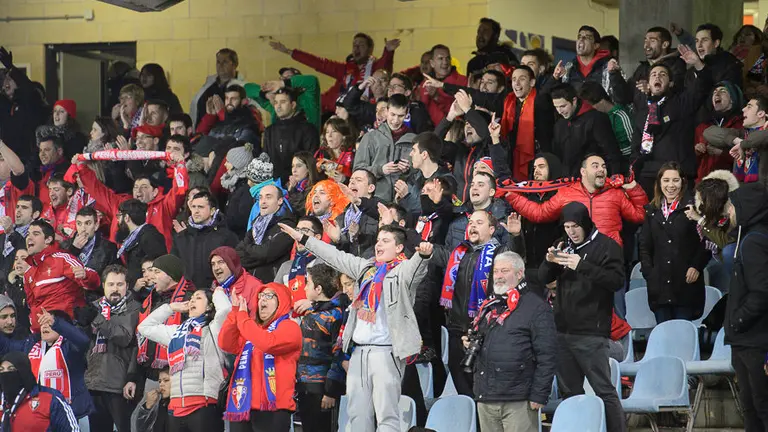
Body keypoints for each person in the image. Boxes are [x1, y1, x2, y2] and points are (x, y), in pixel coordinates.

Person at [278, 222, 433, 432]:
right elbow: (334, 256)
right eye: (378, 240)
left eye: (385, 241)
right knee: (357, 414)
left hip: (386, 352)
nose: (378, 245)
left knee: (387, 415)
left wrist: (423, 256)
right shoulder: (366, 269)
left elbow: (417, 270)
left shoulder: (402, 271)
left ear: (398, 248)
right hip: (358, 352)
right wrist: (304, 239)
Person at [538, 201, 627, 432]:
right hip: (563, 330)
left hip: (592, 332)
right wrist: (549, 262)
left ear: (586, 223)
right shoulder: (563, 245)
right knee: (570, 393)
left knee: (604, 390)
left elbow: (616, 281)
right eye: (567, 227)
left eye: (575, 226)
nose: (571, 231)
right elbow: (542, 277)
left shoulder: (607, 246)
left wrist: (582, 265)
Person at [432, 210, 523, 397]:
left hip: (486, 333)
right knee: (463, 387)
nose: (472, 226)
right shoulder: (459, 253)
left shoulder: (500, 253)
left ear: (491, 229)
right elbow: (435, 254)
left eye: (478, 222)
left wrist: (516, 236)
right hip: (458, 330)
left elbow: (517, 261)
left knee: (484, 390)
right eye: (470, 222)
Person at [468, 251, 556, 432]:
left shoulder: (537, 307)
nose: (498, 276)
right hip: (486, 396)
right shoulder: (488, 306)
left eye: (505, 271)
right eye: (496, 271)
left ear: (519, 274)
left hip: (519, 399)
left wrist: (539, 395)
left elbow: (547, 355)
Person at [429, 65, 556, 181]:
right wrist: (443, 86)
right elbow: (477, 95)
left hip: (538, 158)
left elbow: (545, 96)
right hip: (512, 160)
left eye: (522, 79)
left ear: (532, 82)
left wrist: (554, 79)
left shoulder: (540, 102)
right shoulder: (506, 101)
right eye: (513, 79)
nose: (516, 83)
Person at [138, 286, 231, 431]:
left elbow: (225, 310)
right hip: (176, 407)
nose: (192, 300)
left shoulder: (214, 328)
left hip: (203, 405)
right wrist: (171, 307)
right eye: (192, 298)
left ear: (209, 307)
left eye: (198, 298)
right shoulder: (177, 332)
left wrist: (218, 292)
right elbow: (145, 327)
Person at [505, 154, 647, 247]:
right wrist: (512, 196)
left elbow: (640, 216)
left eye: (603, 166)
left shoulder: (615, 193)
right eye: (595, 166)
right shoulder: (567, 193)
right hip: (577, 258)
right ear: (583, 172)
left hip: (609, 258)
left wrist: (634, 189)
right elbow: (540, 213)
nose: (601, 170)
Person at [218, 282, 302, 432]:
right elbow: (225, 343)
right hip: (243, 406)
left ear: (281, 301)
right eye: (260, 296)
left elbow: (267, 343)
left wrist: (243, 318)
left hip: (274, 408)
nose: (262, 300)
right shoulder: (251, 329)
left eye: (269, 296)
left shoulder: (290, 327)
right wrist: (235, 312)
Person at [718, 183, 768, 432]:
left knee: (760, 406)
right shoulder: (749, 237)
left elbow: (761, 292)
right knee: (750, 407)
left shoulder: (754, 243)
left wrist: (738, 320)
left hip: (754, 341)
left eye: (732, 205)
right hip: (746, 340)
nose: (728, 211)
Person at [630, 45, 712, 195]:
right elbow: (636, 150)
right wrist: (632, 175)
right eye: (653, 74)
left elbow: (702, 88)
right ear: (648, 84)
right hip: (649, 175)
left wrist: (697, 64)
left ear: (671, 83)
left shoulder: (681, 103)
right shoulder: (642, 113)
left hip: (677, 174)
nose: (657, 77)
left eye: (663, 75)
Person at [73, 150, 188, 252]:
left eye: (144, 187)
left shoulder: (165, 206)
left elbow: (178, 191)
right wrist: (82, 167)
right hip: (123, 264)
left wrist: (180, 166)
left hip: (156, 265)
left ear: (155, 192)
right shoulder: (121, 205)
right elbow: (97, 189)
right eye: (136, 187)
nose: (138, 190)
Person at [639, 162, 710, 323]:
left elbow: (707, 240)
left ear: (683, 182)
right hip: (660, 287)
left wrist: (696, 266)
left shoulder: (694, 208)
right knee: (664, 338)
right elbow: (645, 245)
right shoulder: (651, 210)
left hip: (686, 285)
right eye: (666, 180)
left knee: (682, 337)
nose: (671, 185)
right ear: (659, 183)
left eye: (675, 180)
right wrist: (649, 273)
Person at [269, 34, 398, 114]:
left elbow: (384, 69)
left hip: (362, 112)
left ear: (370, 49)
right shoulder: (345, 69)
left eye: (361, 45)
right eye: (354, 45)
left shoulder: (374, 66)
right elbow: (319, 63)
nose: (356, 49)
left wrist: (388, 52)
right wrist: (288, 51)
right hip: (337, 111)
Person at [79, 264, 141, 432]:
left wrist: (97, 319)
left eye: (120, 284)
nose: (115, 289)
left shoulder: (134, 308)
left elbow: (123, 337)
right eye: (111, 284)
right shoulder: (95, 307)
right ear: (104, 285)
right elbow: (84, 344)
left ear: (127, 286)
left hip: (118, 384)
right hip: (93, 382)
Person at [295, 264, 347, 432]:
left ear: (318, 288)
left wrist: (331, 391)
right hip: (304, 386)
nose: (304, 287)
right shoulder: (311, 313)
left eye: (308, 283)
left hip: (322, 388)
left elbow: (338, 355)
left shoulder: (336, 315)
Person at [24, 220, 100, 332]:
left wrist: (85, 275)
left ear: (48, 239)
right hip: (42, 332)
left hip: (67, 329)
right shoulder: (28, 273)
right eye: (28, 234)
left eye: (35, 234)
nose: (29, 238)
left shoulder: (62, 259)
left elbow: (95, 281)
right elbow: (32, 305)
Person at [136, 255, 193, 387]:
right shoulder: (151, 300)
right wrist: (133, 376)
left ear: (171, 274)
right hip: (151, 376)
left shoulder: (189, 299)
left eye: (157, 272)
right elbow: (141, 336)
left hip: (179, 374)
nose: (151, 276)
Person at [353, 93, 416, 202]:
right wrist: (381, 170)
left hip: (403, 203)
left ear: (407, 114)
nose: (396, 120)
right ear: (386, 111)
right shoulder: (370, 137)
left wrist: (407, 171)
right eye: (392, 114)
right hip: (374, 200)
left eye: (400, 116)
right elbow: (358, 169)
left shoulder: (414, 140)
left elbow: (419, 174)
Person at [549, 84, 622, 176]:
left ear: (574, 101)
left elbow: (611, 153)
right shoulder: (560, 124)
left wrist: (615, 176)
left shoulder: (596, 119)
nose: (559, 111)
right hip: (567, 181)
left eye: (563, 106)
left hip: (592, 179)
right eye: (556, 107)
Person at [171, 190, 239, 289]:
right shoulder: (180, 238)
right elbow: (173, 269)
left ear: (212, 211)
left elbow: (235, 266)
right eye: (193, 207)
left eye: (201, 207)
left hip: (218, 292)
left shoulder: (226, 236)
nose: (196, 211)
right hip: (187, 295)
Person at [608, 26, 687, 112]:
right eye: (645, 40)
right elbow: (624, 98)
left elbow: (677, 92)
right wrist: (614, 74)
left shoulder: (676, 65)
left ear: (665, 45)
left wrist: (651, 89)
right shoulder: (642, 68)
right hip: (642, 123)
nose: (646, 45)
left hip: (665, 120)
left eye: (652, 41)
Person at [0, 351, 80, 431]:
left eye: (11, 369)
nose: (5, 374)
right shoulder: (3, 401)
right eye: (1, 370)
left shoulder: (50, 398)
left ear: (23, 370)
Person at [236, 183, 296, 282]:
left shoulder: (287, 226)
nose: (263, 202)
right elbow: (238, 256)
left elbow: (265, 253)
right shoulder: (256, 225)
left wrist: (249, 248)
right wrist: (260, 257)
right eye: (260, 198)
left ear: (280, 201)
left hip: (272, 286)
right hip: (252, 285)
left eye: (268, 197)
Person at [703, 96, 768, 186]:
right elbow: (708, 133)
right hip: (741, 193)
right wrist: (736, 141)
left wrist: (743, 144)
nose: (743, 109)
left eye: (749, 106)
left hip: (762, 195)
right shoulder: (742, 134)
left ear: (760, 114)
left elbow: (760, 137)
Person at [262, 87, 320, 184]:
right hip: (274, 186)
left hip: (300, 186)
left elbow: (311, 161)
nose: (278, 106)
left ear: (293, 105)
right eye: (276, 103)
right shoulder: (269, 131)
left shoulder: (308, 130)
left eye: (283, 102)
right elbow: (265, 159)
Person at [343, 72, 432, 133]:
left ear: (407, 92)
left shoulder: (416, 112)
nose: (391, 89)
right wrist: (361, 87)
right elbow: (349, 105)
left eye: (395, 86)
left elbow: (424, 138)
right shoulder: (380, 109)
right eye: (389, 86)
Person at [578, 81, 634, 171]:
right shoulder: (593, 119)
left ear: (602, 101)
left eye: (591, 107)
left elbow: (631, 148)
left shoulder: (620, 116)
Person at [693, 81, 743, 183]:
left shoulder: (741, 124)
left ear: (732, 99)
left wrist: (721, 153)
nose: (717, 94)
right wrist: (698, 151)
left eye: (723, 91)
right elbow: (696, 161)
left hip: (731, 183)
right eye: (715, 92)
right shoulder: (702, 126)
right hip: (704, 183)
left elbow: (746, 157)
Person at [274, 216, 325, 312]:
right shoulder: (286, 266)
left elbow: (335, 296)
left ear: (317, 237)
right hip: (288, 320)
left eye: (305, 230)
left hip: (317, 317)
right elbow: (274, 295)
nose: (298, 234)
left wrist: (315, 304)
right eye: (297, 230)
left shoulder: (325, 263)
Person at [114, 199, 167, 286]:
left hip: (150, 294)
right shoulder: (133, 239)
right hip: (139, 292)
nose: (118, 221)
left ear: (126, 217)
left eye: (119, 216)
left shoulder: (149, 236)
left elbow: (160, 267)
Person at [190, 48, 246, 127]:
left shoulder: (242, 88)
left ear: (234, 64)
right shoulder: (208, 85)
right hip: (203, 132)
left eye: (225, 62)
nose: (220, 65)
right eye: (218, 62)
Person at [60, 206, 118, 281]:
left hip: (95, 291)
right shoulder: (64, 246)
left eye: (88, 223)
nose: (83, 229)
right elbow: (59, 273)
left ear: (96, 226)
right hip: (71, 291)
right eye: (79, 224)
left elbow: (113, 278)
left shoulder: (109, 248)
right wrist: (73, 250)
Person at [552, 26, 612, 93]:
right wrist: (555, 79)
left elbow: (621, 98)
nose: (581, 39)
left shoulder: (607, 67)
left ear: (596, 45)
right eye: (579, 37)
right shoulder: (569, 68)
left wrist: (615, 74)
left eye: (587, 37)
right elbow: (553, 96)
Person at [195, 84, 261, 145]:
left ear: (243, 101)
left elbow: (237, 148)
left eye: (234, 99)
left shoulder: (249, 121)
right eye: (227, 98)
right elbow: (200, 140)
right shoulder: (220, 120)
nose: (229, 102)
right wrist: (210, 117)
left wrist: (223, 115)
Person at [420, 44, 468, 126]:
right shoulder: (425, 84)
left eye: (448, 58)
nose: (445, 62)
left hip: (454, 130)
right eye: (440, 58)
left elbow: (460, 111)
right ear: (432, 63)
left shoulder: (463, 81)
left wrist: (436, 97)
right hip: (430, 132)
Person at [209, 246, 262, 313]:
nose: (216, 268)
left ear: (232, 263)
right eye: (213, 264)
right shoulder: (215, 289)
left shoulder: (254, 285)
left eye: (221, 262)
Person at [315, 117, 355, 183]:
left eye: (334, 131)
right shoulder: (320, 154)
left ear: (344, 136)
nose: (329, 135)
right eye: (327, 132)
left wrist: (344, 180)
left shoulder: (352, 155)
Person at [130, 367, 171, 432]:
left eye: (166, 380)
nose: (161, 384)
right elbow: (141, 429)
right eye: (159, 381)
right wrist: (147, 407)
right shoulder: (160, 404)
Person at [287, 151, 324, 217]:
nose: (294, 170)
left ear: (308, 168)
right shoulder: (290, 185)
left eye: (299, 166)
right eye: (293, 166)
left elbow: (299, 210)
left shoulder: (315, 188)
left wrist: (292, 190)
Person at [2, 250, 30, 338]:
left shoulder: (36, 285)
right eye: (16, 259)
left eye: (24, 259)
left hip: (27, 332)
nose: (18, 262)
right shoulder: (8, 284)